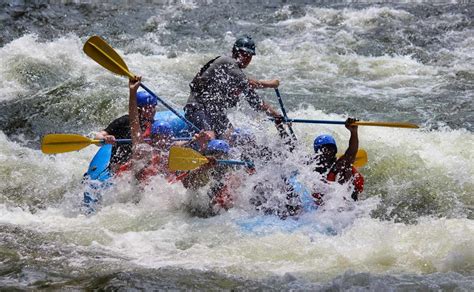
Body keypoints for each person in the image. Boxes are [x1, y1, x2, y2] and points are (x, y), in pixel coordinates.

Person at [184, 35, 284, 141]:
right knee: (210, 138)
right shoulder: (227, 62)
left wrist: (275, 115)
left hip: (215, 112)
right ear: (235, 52)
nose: (246, 58)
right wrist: (270, 84)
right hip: (198, 108)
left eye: (249, 56)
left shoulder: (237, 75)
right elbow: (248, 83)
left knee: (231, 137)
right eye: (244, 54)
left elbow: (256, 102)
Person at [94, 82, 157, 172]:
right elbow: (98, 138)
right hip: (120, 166)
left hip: (139, 164)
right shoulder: (124, 121)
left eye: (153, 107)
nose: (152, 111)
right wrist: (105, 138)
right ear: (138, 109)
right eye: (148, 108)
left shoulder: (154, 125)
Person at [309, 118, 364, 205]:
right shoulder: (312, 166)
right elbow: (292, 151)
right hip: (323, 209)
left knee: (346, 168)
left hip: (347, 204)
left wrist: (353, 132)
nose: (328, 151)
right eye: (324, 149)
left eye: (331, 148)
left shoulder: (340, 164)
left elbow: (351, 152)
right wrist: (281, 127)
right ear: (318, 152)